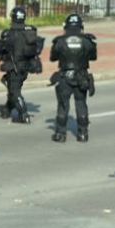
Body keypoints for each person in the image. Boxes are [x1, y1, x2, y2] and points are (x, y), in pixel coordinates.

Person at [48, 13, 97, 143]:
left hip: (65, 76)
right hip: (81, 76)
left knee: (63, 105)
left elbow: (52, 57)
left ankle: (60, 134)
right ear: (81, 26)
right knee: (81, 103)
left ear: (66, 26)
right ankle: (83, 134)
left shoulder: (59, 41)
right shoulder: (88, 41)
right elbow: (93, 57)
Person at [0, 6, 44, 124]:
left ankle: (24, 114)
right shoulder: (30, 31)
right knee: (13, 88)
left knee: (14, 91)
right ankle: (7, 109)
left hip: (14, 67)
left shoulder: (9, 33)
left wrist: (1, 45)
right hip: (27, 67)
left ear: (12, 17)